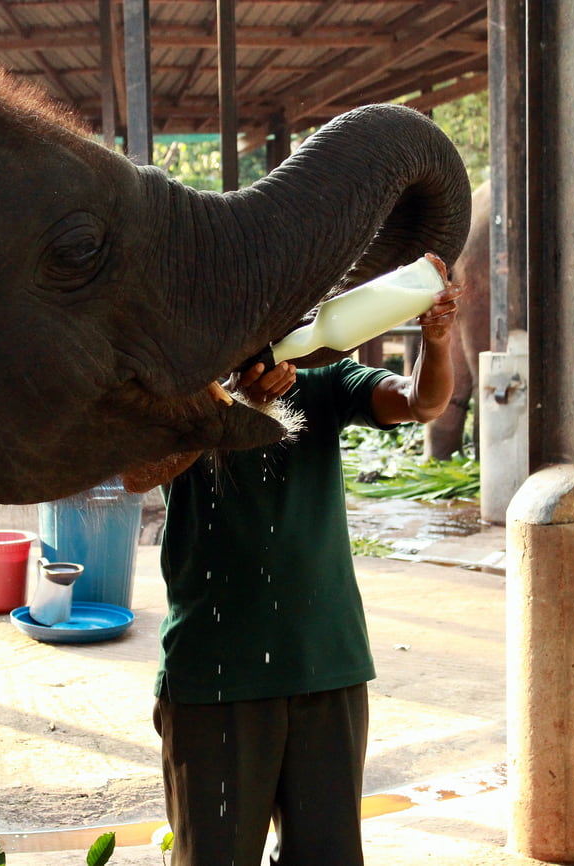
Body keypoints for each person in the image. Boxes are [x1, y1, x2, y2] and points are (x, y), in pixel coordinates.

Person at [153, 282, 461, 866]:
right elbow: (138, 473)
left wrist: (437, 340)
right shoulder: (182, 394)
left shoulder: (321, 382)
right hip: (214, 674)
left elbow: (421, 402)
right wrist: (226, 408)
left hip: (327, 663)